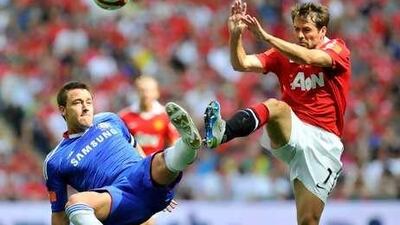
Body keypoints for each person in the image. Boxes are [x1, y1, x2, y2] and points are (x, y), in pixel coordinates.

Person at [204, 1, 350, 225]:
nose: (300, 35)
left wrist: (266, 37)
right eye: (297, 29)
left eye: (307, 30)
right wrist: (235, 36)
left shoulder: (338, 49)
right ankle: (222, 132)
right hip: (292, 130)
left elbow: (309, 58)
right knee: (276, 107)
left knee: (308, 220)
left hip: (324, 142)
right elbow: (240, 63)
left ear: (322, 31)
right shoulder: (281, 53)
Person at [43, 81, 202, 225]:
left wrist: (158, 179)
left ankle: (188, 145)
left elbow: (136, 148)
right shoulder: (56, 160)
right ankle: (186, 148)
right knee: (75, 204)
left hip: (143, 177)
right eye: (77, 103)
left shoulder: (110, 119)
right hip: (116, 198)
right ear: (63, 110)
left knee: (160, 160)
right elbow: (59, 215)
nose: (85, 107)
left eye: (89, 102)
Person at [119, 75, 179, 156]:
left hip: (156, 164)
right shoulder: (124, 116)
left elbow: (173, 142)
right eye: (142, 91)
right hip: (134, 164)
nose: (146, 94)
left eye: (149, 91)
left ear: (157, 93)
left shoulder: (165, 115)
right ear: (137, 92)